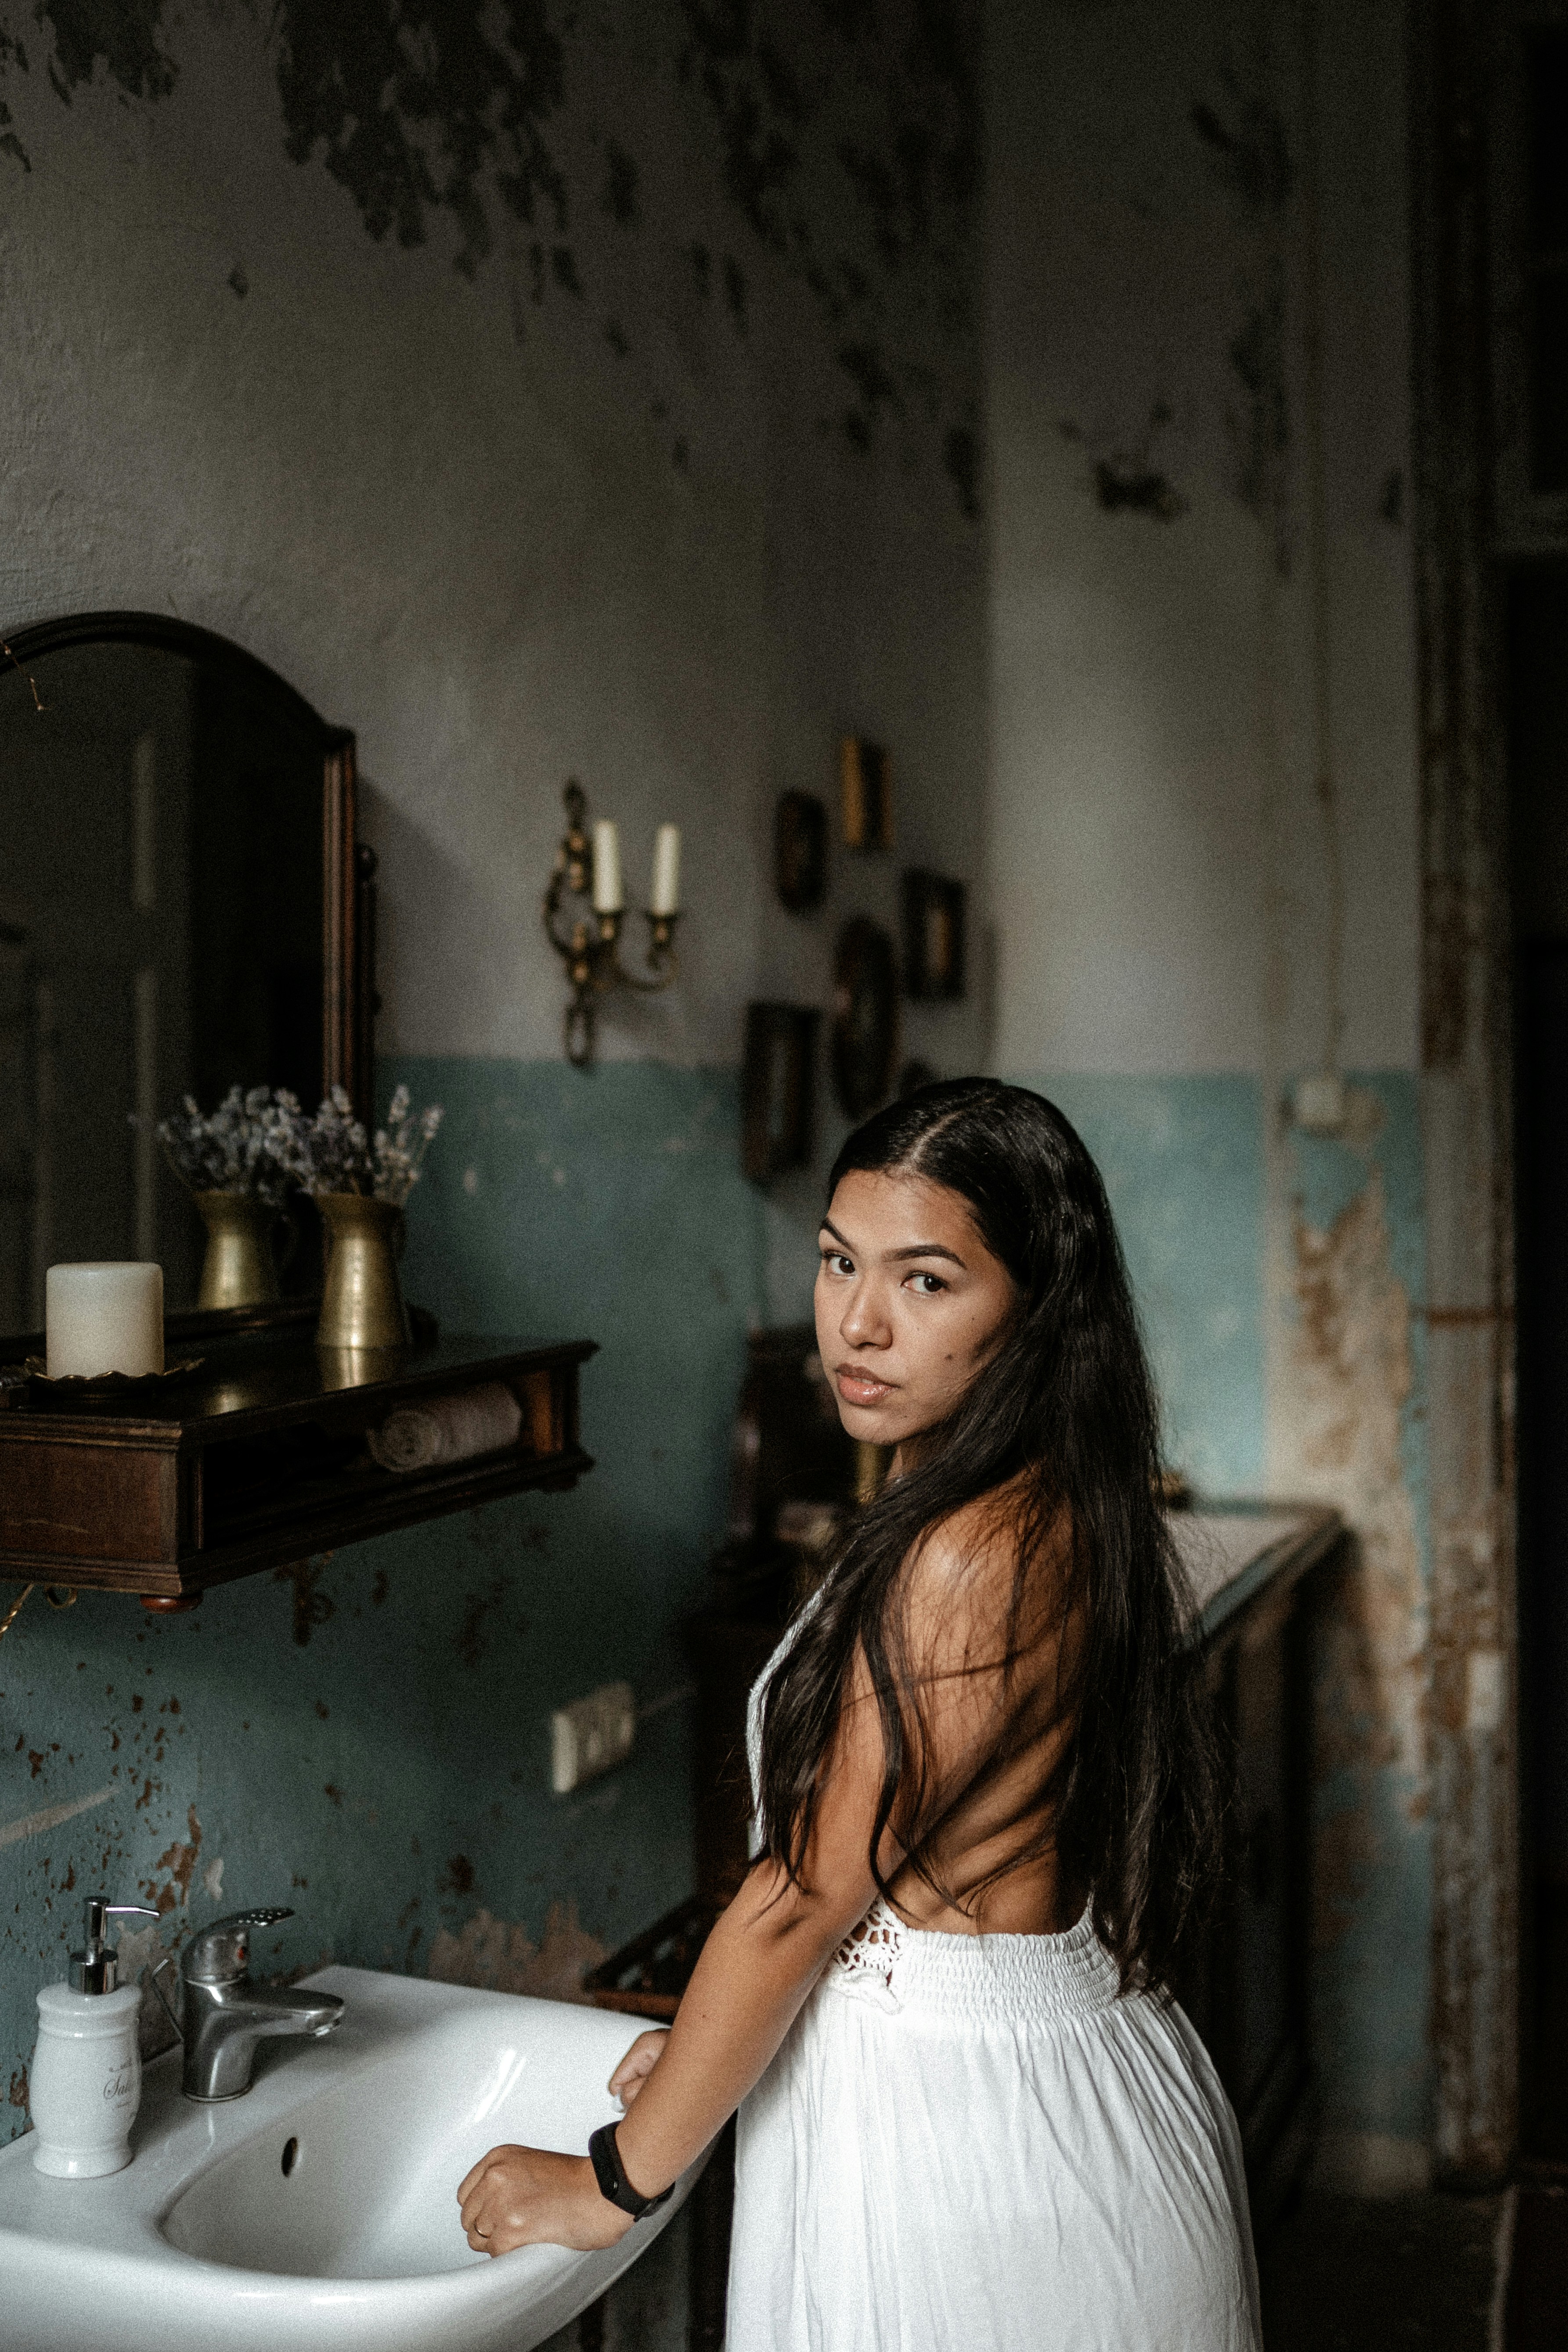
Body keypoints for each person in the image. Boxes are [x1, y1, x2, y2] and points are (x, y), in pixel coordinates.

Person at [458, 1078, 1262, 2349]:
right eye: (839, 1261)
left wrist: (608, 2181)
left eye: (926, 1280)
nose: (858, 1320)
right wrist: (699, 2046)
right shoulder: (1034, 1496)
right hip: (1027, 2081)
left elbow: (805, 1900)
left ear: (1037, 1308)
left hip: (965, 2145)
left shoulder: (968, 1551)